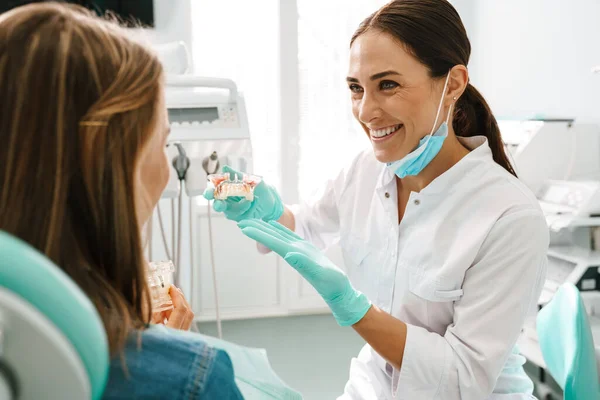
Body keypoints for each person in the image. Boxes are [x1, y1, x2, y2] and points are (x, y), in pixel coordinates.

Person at [204, 0, 548, 398]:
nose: (366, 111)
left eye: (388, 85)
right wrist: (266, 213)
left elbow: (461, 379)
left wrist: (354, 307)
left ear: (452, 84)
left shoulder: (509, 217)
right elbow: (306, 226)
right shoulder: (363, 172)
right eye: (355, 88)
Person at [0, 3, 243, 399]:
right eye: (162, 143)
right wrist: (159, 352)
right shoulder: (190, 380)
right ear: (110, 171)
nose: (166, 168)